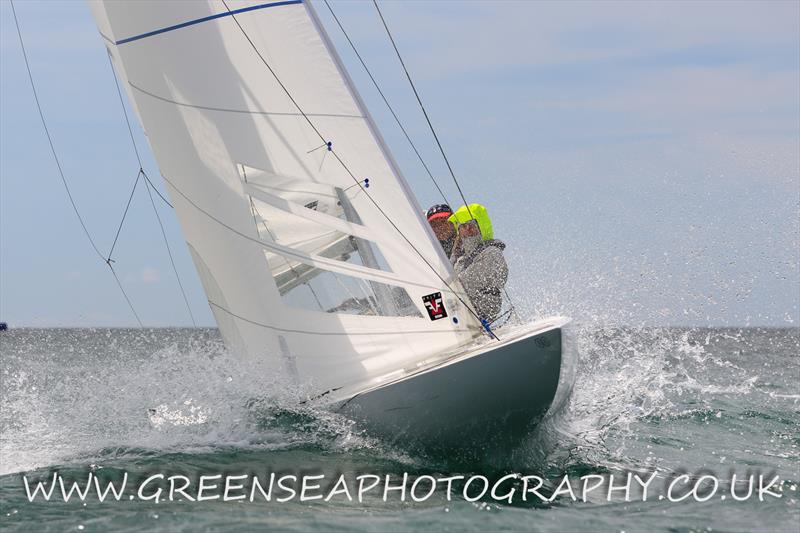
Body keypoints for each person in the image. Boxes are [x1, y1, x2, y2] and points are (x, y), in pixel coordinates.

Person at [447, 204, 508, 322]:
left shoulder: (492, 252)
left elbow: (468, 282)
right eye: (463, 226)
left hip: (483, 312)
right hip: (461, 316)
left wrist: (450, 286)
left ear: (482, 227)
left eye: (472, 225)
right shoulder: (460, 260)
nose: (468, 229)